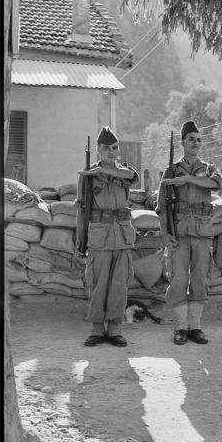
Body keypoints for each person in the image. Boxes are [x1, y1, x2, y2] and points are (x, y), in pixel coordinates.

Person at [157, 120, 222, 345]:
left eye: (199, 140)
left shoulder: (210, 168)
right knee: (178, 278)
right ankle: (181, 326)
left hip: (202, 232)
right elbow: (162, 206)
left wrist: (187, 179)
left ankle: (196, 326)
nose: (196, 143)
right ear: (183, 143)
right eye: (191, 139)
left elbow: (216, 184)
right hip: (179, 231)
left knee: (200, 278)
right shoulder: (171, 170)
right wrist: (166, 234)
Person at [76, 126, 139, 347]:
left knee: (119, 285)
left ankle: (114, 329)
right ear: (98, 150)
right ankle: (96, 329)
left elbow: (131, 176)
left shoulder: (125, 172)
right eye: (106, 148)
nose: (111, 152)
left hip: (122, 235)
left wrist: (102, 171)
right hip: (99, 236)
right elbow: (82, 211)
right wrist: (80, 242)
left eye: (114, 147)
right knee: (98, 284)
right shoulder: (88, 175)